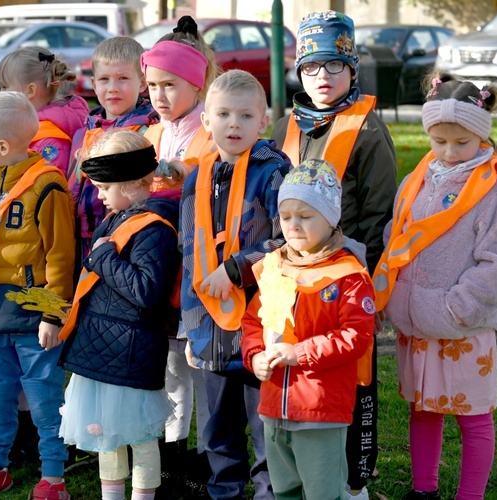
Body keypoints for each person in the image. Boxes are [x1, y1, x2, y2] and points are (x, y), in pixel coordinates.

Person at [270, 11, 398, 497]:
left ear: (352, 70)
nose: (321, 78)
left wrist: (365, 281)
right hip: (289, 277)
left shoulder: (367, 130)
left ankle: (353, 479)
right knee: (298, 371)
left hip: (344, 278)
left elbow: (379, 213)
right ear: (298, 72)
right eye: (310, 68)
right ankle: (297, 473)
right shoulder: (283, 126)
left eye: (332, 66)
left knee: (349, 374)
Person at [373, 74, 497, 500]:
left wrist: (459, 308)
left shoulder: (494, 189)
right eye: (439, 142)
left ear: (481, 133)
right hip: (416, 321)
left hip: (461, 326)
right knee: (423, 409)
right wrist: (393, 293)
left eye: (461, 142)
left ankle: (469, 495)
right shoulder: (420, 174)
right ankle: (424, 489)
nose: (449, 153)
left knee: (473, 417)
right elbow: (394, 234)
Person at [0, 91, 75, 500]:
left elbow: (61, 254)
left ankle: (54, 478)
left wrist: (52, 315)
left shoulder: (47, 184)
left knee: (44, 396)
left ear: (3, 146)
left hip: (33, 312)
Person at [180, 69, 291, 500]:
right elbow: (189, 255)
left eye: (246, 116)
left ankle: (269, 492)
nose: (233, 124)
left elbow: (289, 240)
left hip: (261, 322)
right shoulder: (197, 178)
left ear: (264, 122)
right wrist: (190, 327)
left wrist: (237, 268)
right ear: (205, 121)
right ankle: (223, 491)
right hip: (209, 326)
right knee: (216, 430)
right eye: (223, 114)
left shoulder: (275, 172)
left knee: (265, 426)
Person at [57, 129, 183, 500]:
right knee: (104, 434)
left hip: (129, 352)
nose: (98, 196)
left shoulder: (154, 229)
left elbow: (147, 291)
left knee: (139, 437)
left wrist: (104, 257)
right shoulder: (118, 216)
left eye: (102, 188)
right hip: (104, 349)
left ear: (127, 185)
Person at [241, 158, 376, 499]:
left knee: (323, 492)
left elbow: (356, 337)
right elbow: (253, 321)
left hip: (321, 410)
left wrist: (298, 353)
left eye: (306, 216)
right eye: (286, 217)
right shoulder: (274, 267)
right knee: (284, 489)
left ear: (331, 218)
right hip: (273, 406)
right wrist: (254, 355)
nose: (294, 225)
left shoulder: (347, 274)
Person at [138, 15, 217, 495]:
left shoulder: (210, 128)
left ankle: (207, 461)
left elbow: (208, 181)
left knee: (201, 366)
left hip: (196, 267)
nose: (159, 95)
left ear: (197, 83)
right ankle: (172, 460)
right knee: (172, 370)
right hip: (160, 265)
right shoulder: (153, 132)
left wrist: (172, 172)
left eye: (171, 85)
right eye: (153, 85)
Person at [67, 36, 158, 261]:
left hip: (123, 243)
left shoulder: (148, 133)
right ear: (94, 84)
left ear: (142, 83)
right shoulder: (83, 133)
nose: (113, 88)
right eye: (105, 79)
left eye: (123, 78)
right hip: (80, 240)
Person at [0, 46, 89, 177]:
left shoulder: (49, 140)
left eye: (4, 87)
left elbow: (51, 189)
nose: (0, 93)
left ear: (30, 91)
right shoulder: (31, 127)